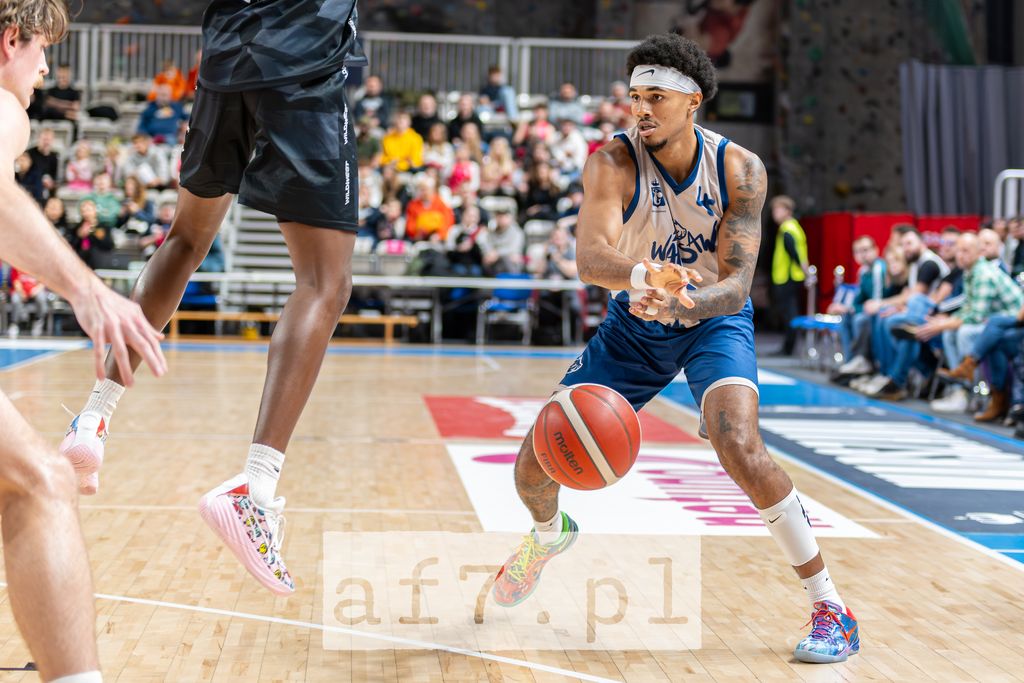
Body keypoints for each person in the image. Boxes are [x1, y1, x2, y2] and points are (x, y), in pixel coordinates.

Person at [490, 33, 859, 664]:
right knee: (533, 466)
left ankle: (831, 607)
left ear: (693, 102)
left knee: (739, 443)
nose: (641, 109)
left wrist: (686, 301)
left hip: (714, 319)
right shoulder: (612, 162)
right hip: (634, 325)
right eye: (635, 96)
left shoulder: (740, 169)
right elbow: (590, 259)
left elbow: (737, 284)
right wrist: (647, 278)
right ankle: (549, 535)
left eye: (656, 97)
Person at [59, 0, 365, 597]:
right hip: (302, 66)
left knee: (185, 240)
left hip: (225, 61)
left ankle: (93, 417)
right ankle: (256, 488)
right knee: (325, 282)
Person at [0, 3, 167, 680]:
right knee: (41, 484)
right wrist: (87, 289)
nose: (46, 69)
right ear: (11, 41)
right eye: (42, 50)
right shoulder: (5, 108)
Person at [770, 195, 809, 356]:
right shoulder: (793, 227)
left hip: (787, 277)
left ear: (787, 211)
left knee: (789, 313)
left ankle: (789, 347)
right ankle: (788, 346)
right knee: (789, 312)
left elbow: (793, 252)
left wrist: (805, 270)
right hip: (789, 276)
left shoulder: (788, 229)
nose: (774, 213)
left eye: (778, 209)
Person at [65, 199, 113, 268]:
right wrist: (79, 236)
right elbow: (71, 246)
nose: (86, 213)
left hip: (98, 261)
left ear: (95, 211)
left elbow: (109, 245)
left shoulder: (103, 227)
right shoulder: (77, 228)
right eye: (83, 211)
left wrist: (93, 233)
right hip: (79, 262)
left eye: (88, 210)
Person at [27, 125, 59, 196]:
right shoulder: (29, 154)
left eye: (49, 140)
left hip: (46, 189)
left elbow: (54, 177)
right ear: (38, 139)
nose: (46, 142)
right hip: (30, 187)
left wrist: (51, 183)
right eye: (44, 139)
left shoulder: (54, 157)